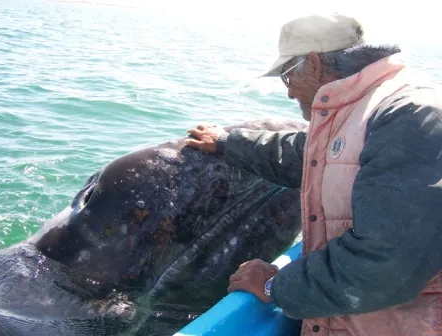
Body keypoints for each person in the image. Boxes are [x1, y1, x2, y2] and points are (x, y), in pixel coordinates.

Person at [184, 13, 442, 336]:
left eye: (287, 77)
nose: (290, 93)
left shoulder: (407, 115)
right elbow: (303, 154)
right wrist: (224, 143)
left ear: (315, 64)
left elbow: (385, 267)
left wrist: (274, 285)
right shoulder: (360, 110)